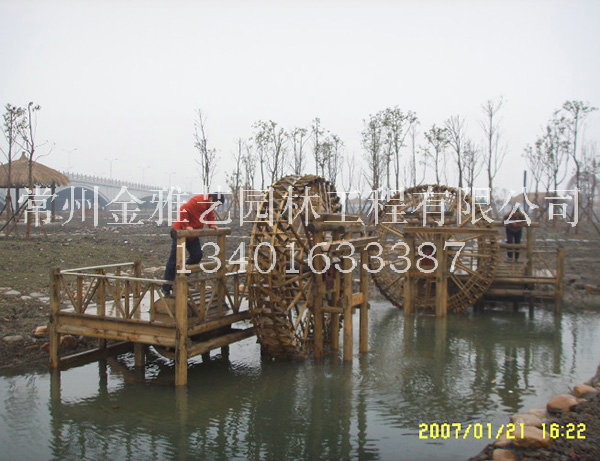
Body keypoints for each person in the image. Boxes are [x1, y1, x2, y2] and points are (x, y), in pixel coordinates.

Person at [162, 192, 223, 296]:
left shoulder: (209, 205)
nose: (216, 207)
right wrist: (186, 225)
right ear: (211, 199)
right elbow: (183, 209)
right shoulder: (198, 201)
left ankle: (182, 275)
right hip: (180, 232)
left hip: (192, 234)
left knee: (197, 255)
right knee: (174, 260)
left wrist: (211, 225)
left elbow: (210, 215)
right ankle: (166, 287)